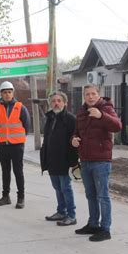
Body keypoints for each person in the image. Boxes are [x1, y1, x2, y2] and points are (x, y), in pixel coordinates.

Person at [71, 84, 122, 242]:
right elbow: (76, 132)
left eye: (93, 94)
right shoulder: (81, 111)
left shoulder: (106, 108)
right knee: (90, 195)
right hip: (85, 160)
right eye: (87, 94)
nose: (90, 97)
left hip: (101, 161)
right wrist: (73, 139)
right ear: (84, 96)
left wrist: (101, 116)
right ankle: (93, 224)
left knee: (103, 196)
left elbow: (117, 126)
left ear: (99, 95)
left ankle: (105, 229)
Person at [40, 91, 79, 226]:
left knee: (65, 188)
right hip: (51, 160)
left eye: (59, 101)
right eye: (53, 101)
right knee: (57, 187)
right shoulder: (49, 118)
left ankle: (71, 215)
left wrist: (73, 162)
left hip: (65, 160)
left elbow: (75, 141)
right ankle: (61, 212)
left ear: (65, 103)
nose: (56, 103)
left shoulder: (70, 119)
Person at [0, 81, 30, 209]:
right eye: (5, 92)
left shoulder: (20, 107)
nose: (7, 95)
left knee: (18, 172)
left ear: (13, 93)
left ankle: (21, 198)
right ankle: (5, 196)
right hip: (3, 145)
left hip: (17, 146)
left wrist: (19, 140)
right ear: (1, 94)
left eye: (9, 92)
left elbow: (27, 126)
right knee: (5, 172)